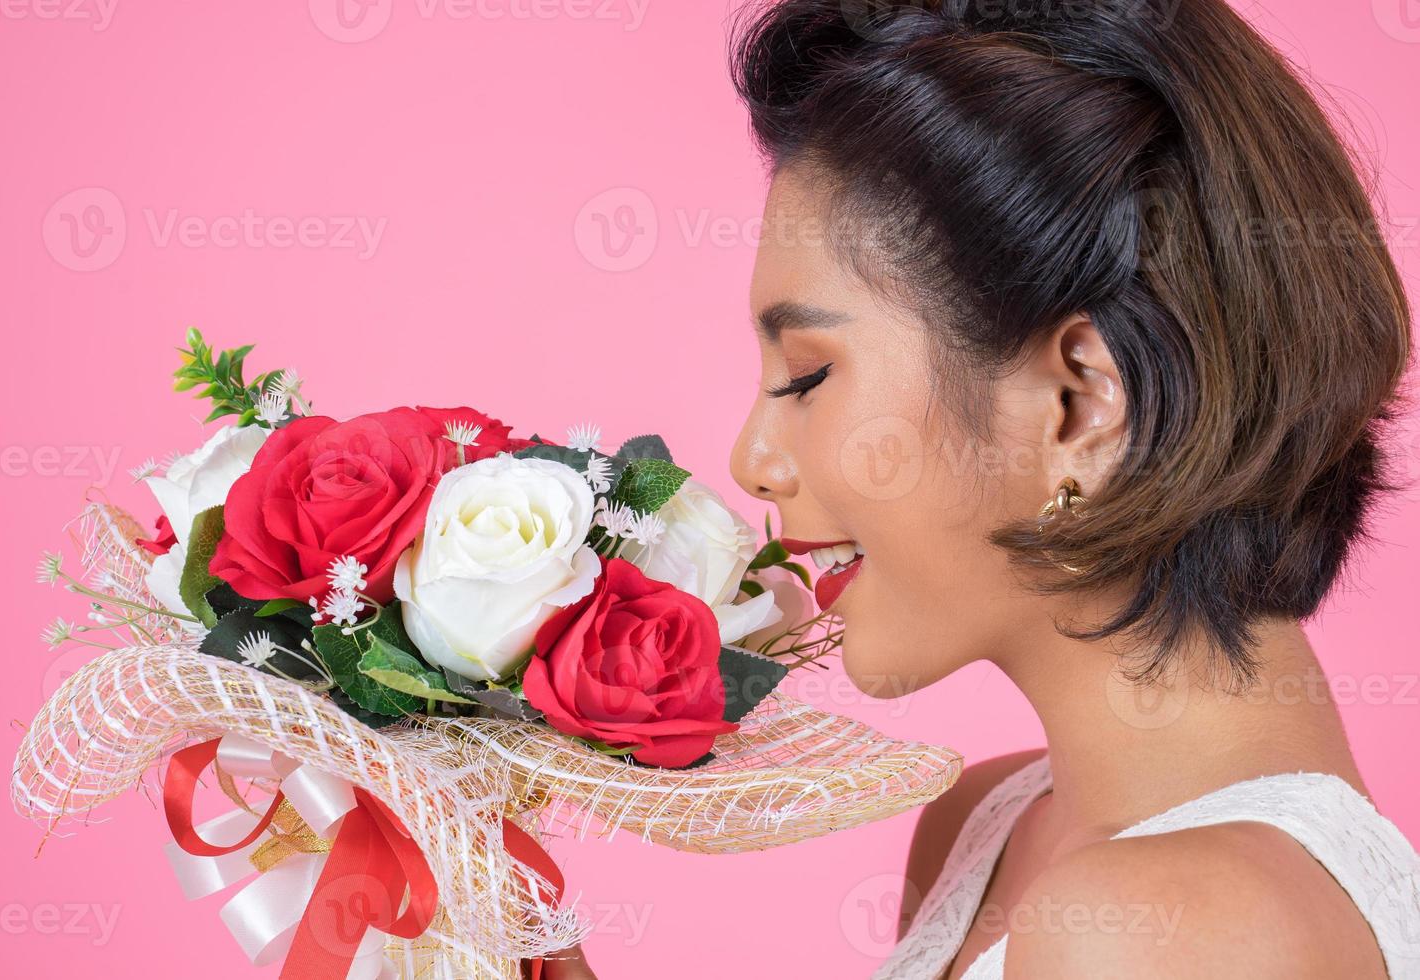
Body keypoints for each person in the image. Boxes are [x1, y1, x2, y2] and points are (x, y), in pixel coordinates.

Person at [547, 1, 1419, 975]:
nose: (754, 458)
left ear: (1079, 408)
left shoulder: (1163, 931)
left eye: (807, 375)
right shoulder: (991, 824)